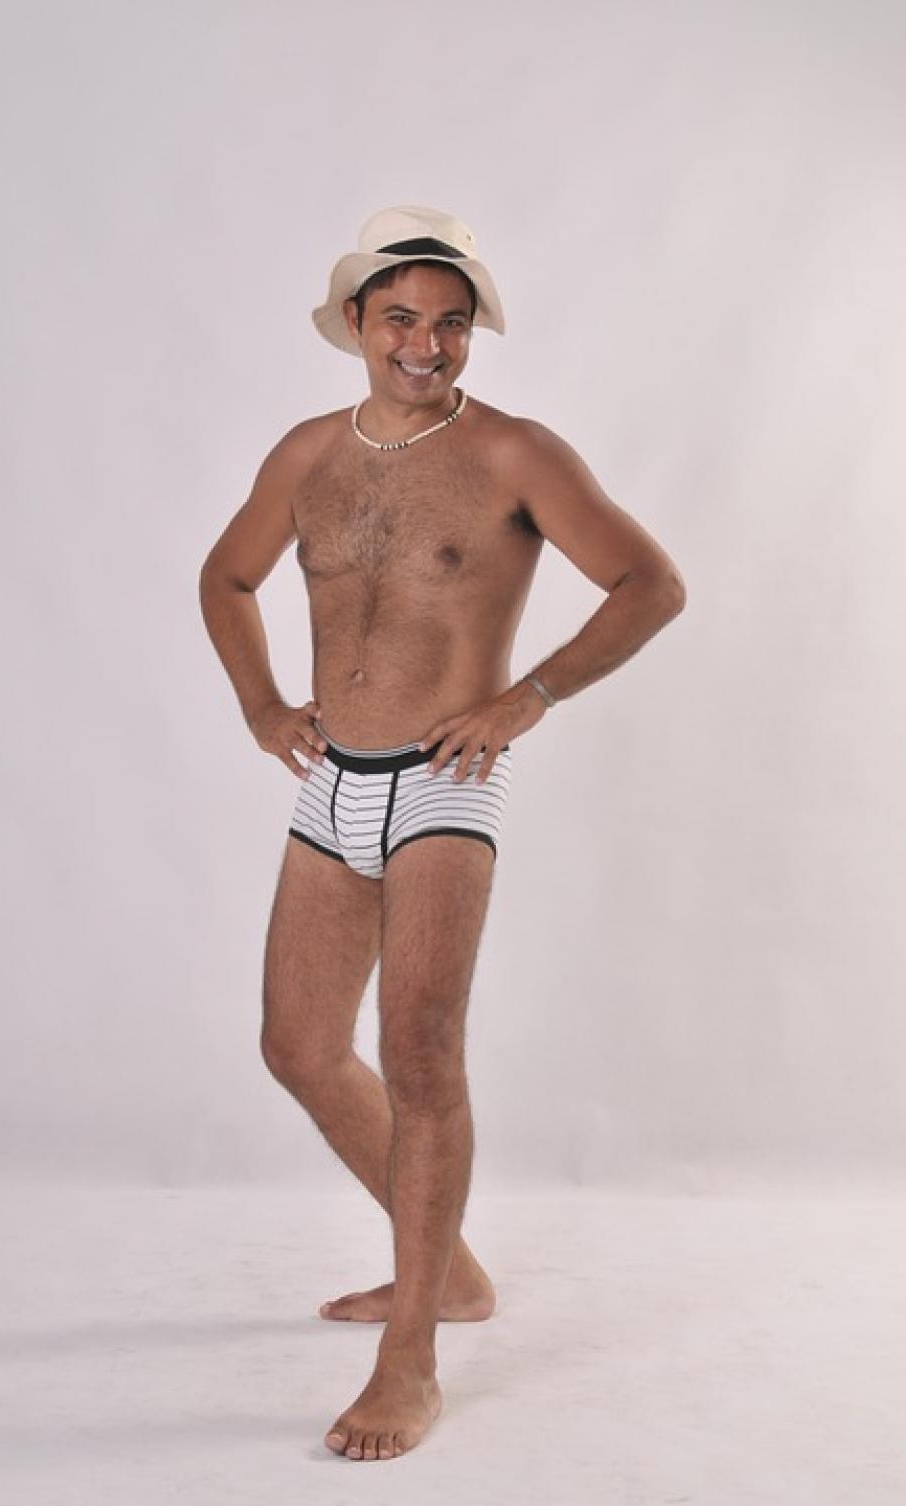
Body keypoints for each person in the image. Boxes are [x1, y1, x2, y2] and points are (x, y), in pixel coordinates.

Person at [199, 205, 686, 1462]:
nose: (427, 344)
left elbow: (650, 583)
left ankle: (410, 1352)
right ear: (355, 322)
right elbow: (226, 576)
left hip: (442, 786)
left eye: (452, 323)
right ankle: (454, 1273)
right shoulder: (307, 453)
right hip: (330, 782)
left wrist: (529, 697)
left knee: (418, 1054)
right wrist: (260, 705)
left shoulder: (516, 452)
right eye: (403, 318)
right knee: (299, 1046)